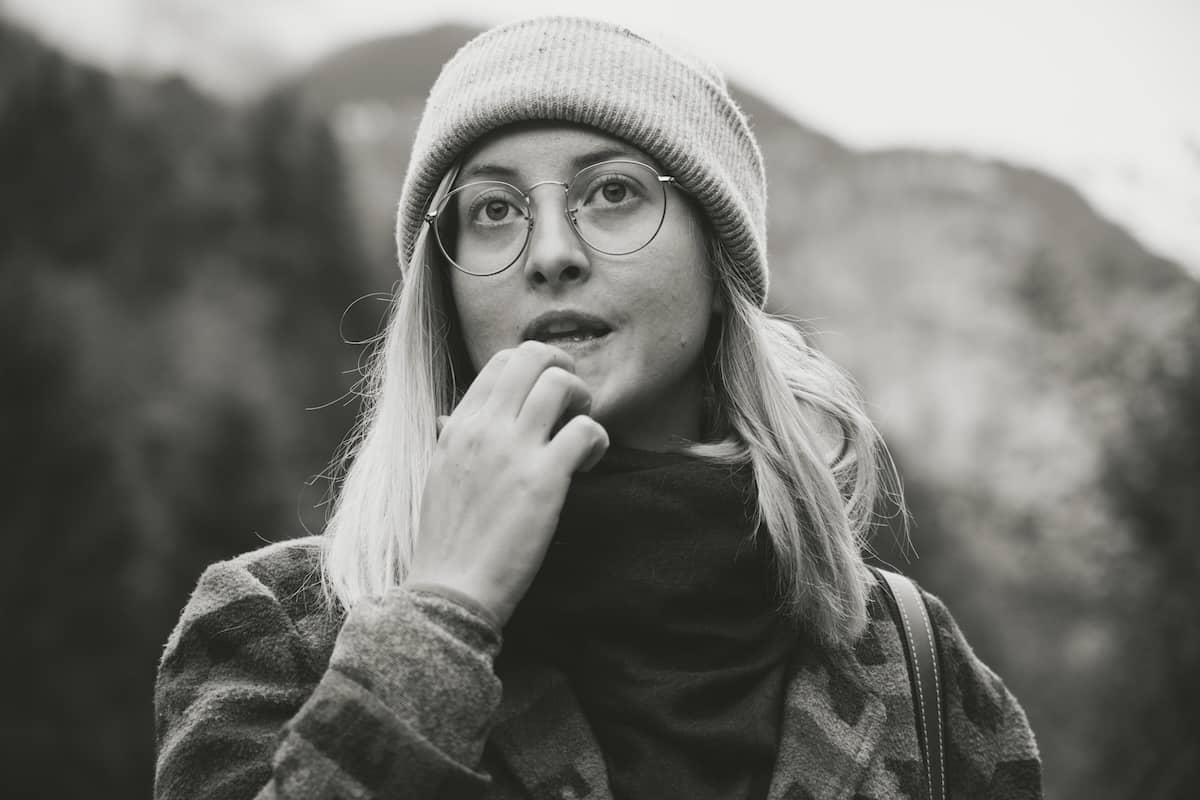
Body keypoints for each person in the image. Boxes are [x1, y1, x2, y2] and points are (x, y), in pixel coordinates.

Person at [154, 15, 1042, 800]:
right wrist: (441, 613)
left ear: (716, 257)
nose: (550, 253)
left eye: (613, 193)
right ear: (447, 289)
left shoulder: (919, 671)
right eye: (495, 209)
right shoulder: (275, 634)